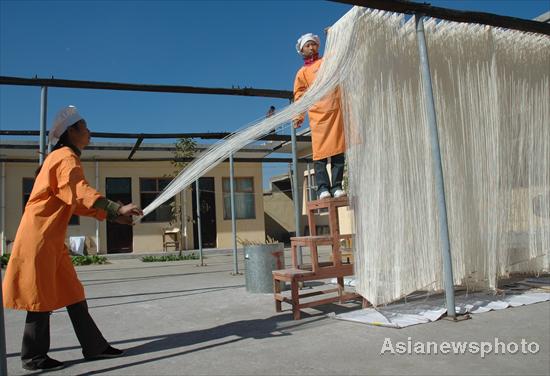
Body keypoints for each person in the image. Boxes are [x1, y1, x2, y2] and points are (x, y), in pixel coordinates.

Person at [2, 105, 143, 371]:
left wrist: (113, 216)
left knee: (72, 292)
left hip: (51, 240)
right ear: (72, 131)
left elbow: (76, 202)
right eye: (86, 127)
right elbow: (79, 191)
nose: (90, 132)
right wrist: (115, 208)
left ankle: (94, 347)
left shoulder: (62, 158)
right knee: (39, 296)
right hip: (39, 238)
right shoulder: (65, 157)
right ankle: (33, 357)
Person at [293, 32, 346, 200]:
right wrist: (298, 116)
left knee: (338, 152)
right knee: (320, 154)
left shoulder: (326, 61)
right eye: (307, 45)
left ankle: (337, 185)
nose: (311, 47)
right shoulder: (302, 73)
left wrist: (334, 34)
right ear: (302, 51)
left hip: (335, 112)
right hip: (318, 116)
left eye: (313, 44)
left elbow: (338, 53)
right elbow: (299, 96)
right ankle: (323, 187)